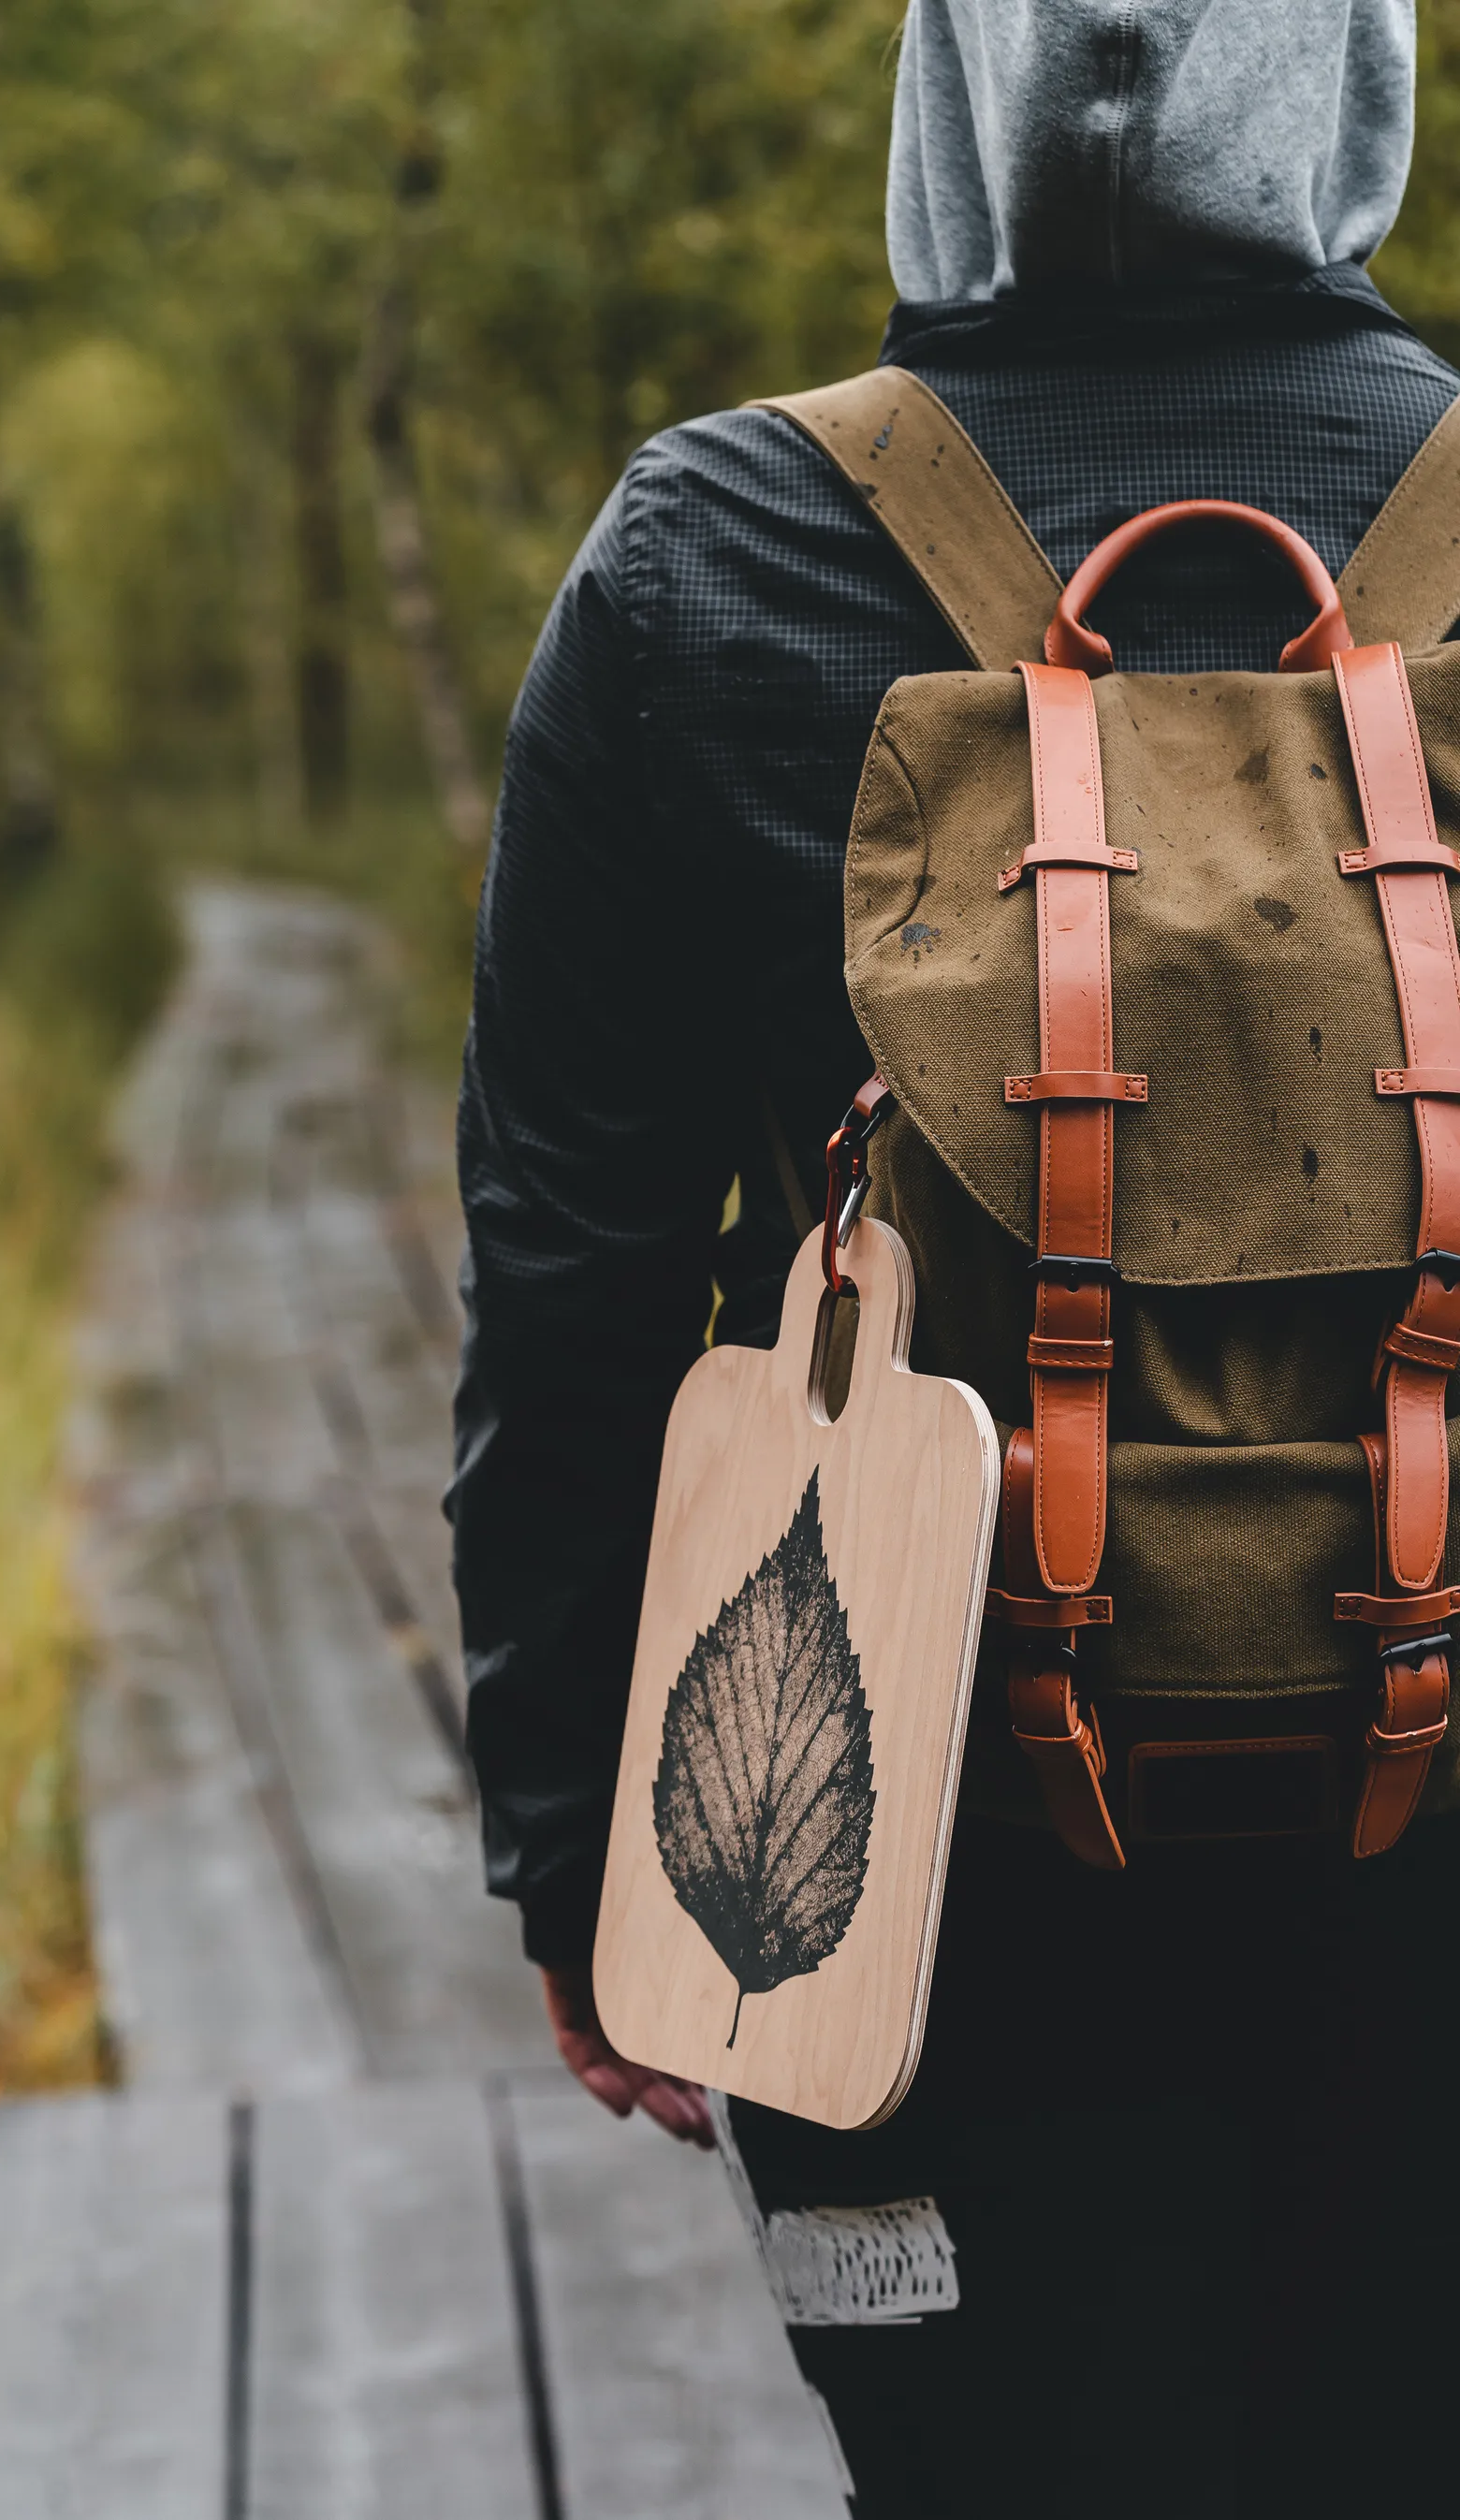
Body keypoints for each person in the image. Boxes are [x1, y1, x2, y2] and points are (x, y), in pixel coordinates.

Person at [450, 4, 1460, 2510]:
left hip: (904, 1868)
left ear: (951, 97)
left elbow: (570, 1269)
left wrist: (584, 1837)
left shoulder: (709, 549)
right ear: (1348, 77)